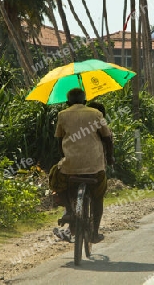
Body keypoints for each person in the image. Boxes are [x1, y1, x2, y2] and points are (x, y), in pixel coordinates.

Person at [52, 88, 114, 243]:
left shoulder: (62, 114)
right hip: (95, 167)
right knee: (98, 196)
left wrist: (64, 157)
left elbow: (59, 140)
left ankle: (70, 211)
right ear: (85, 101)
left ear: (67, 103)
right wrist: (111, 158)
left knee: (56, 177)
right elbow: (108, 137)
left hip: (70, 165)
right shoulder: (96, 113)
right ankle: (94, 233)